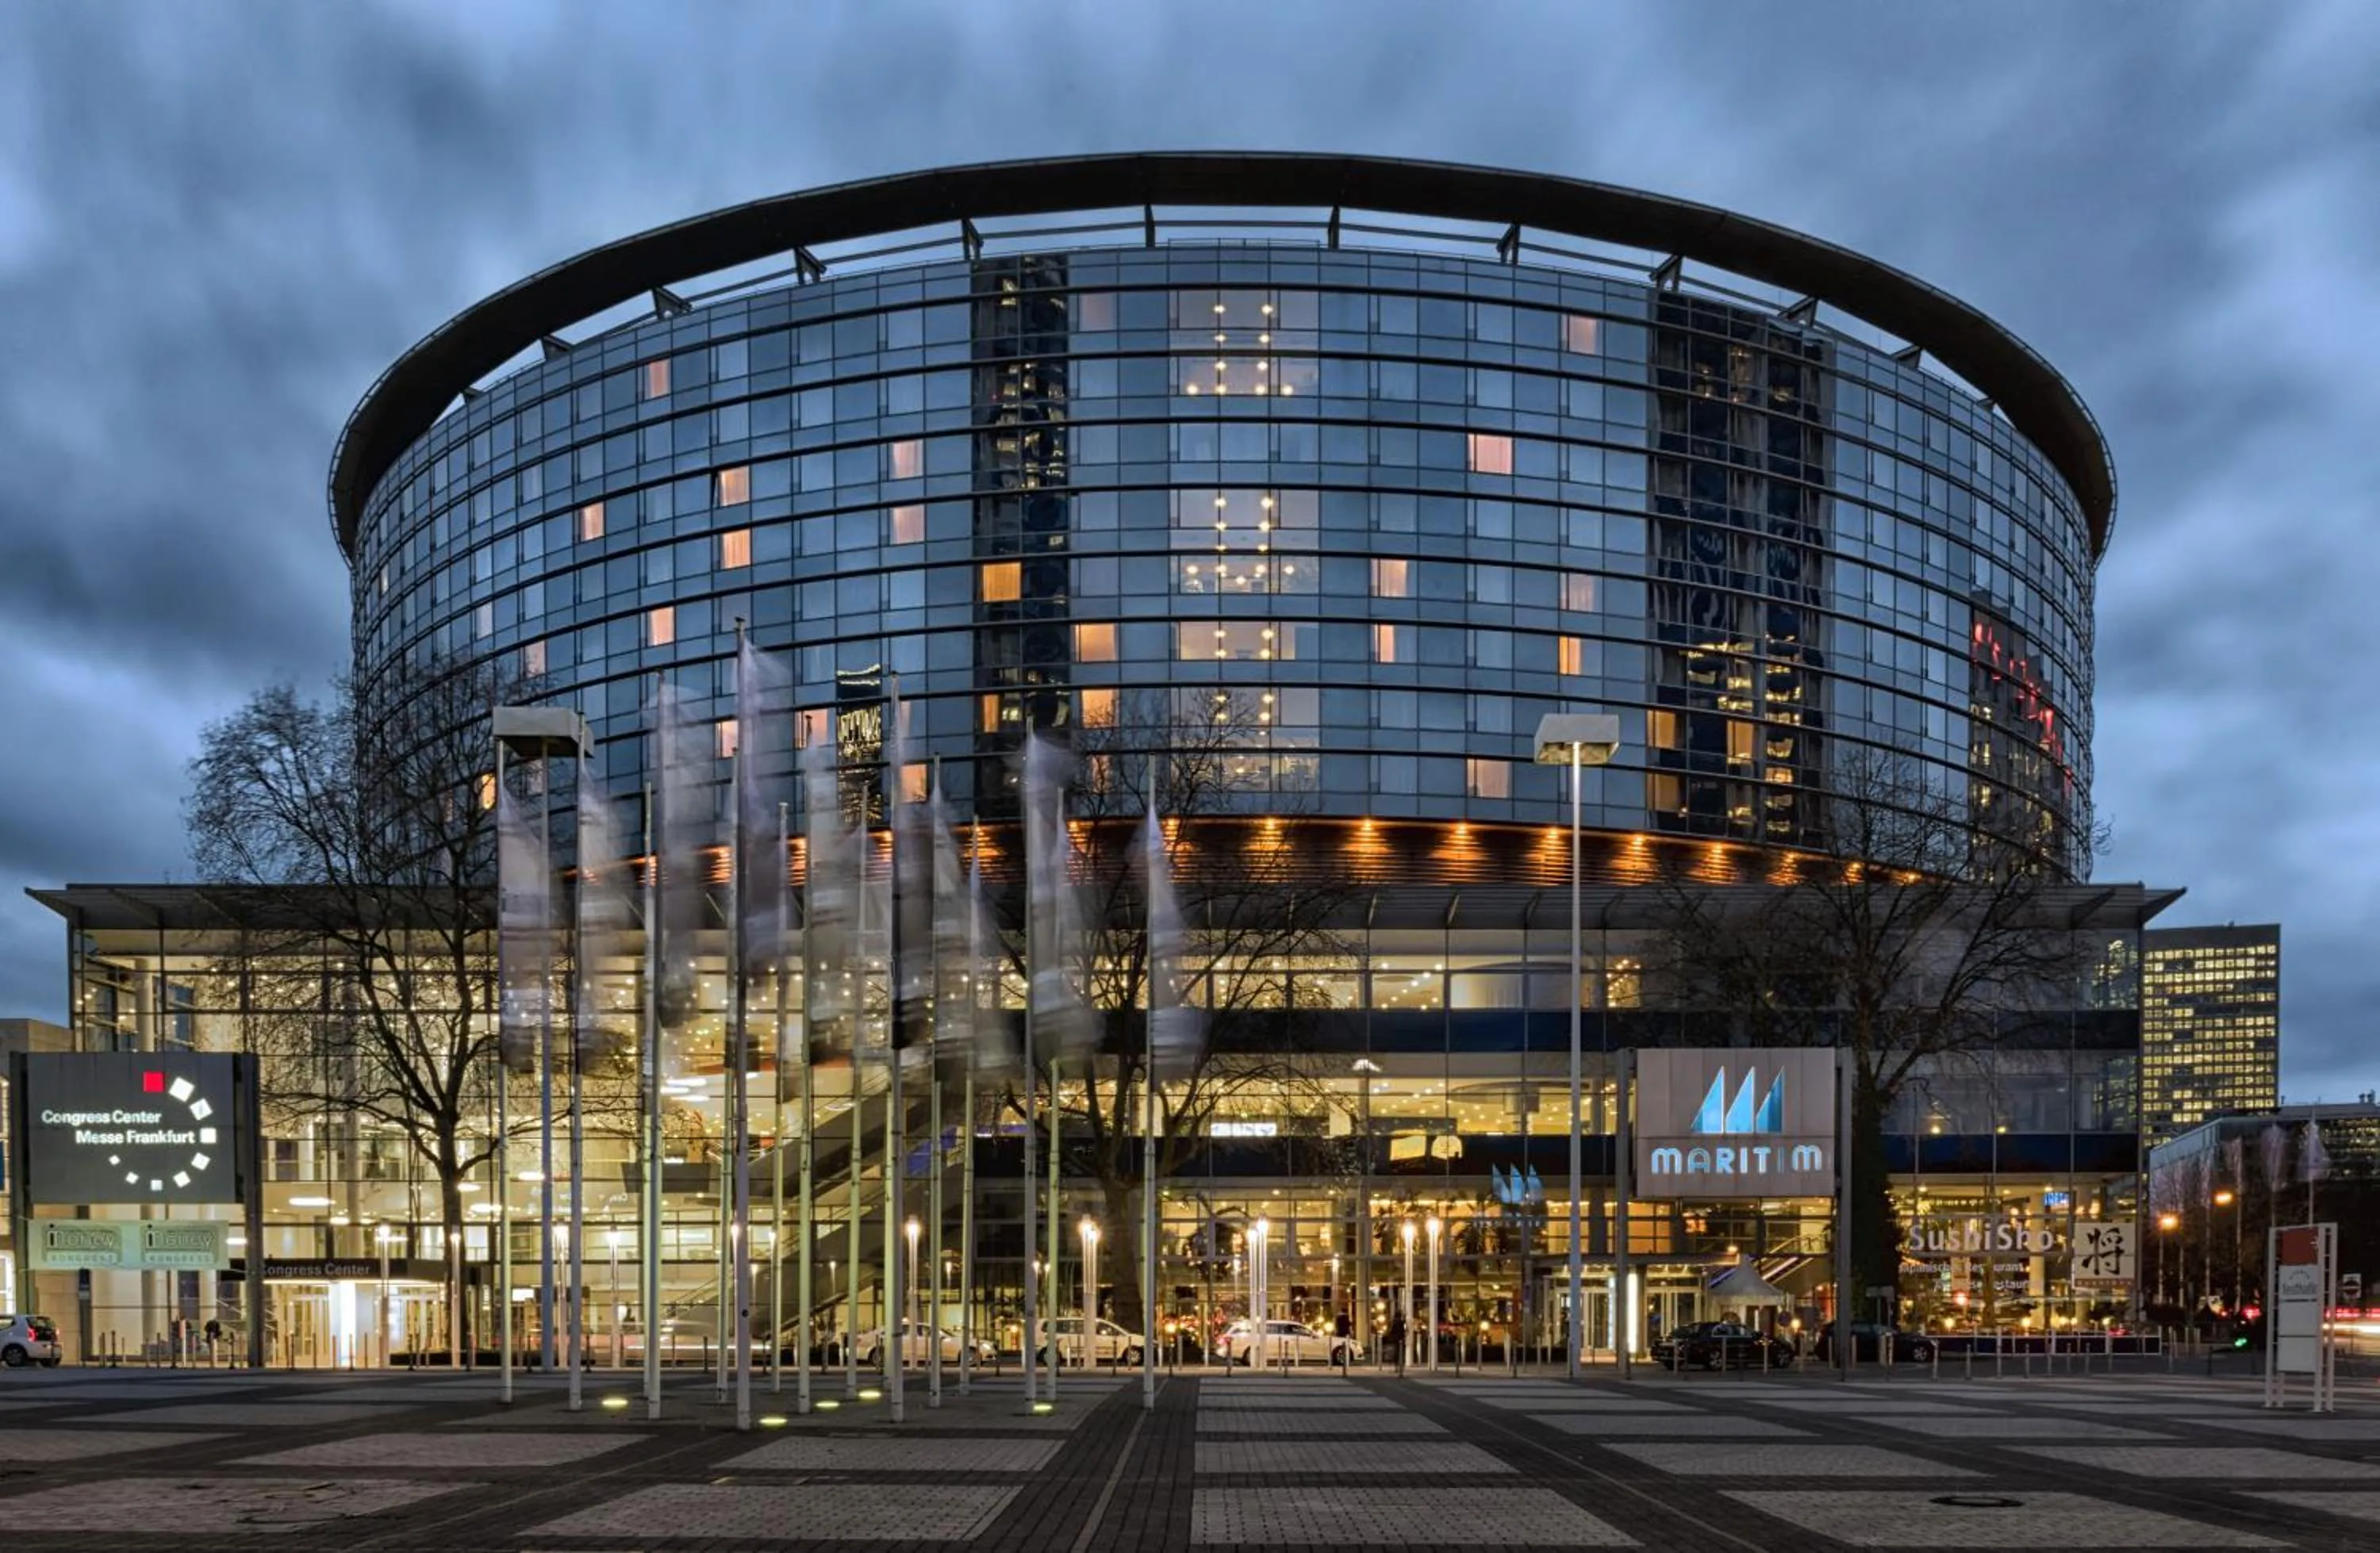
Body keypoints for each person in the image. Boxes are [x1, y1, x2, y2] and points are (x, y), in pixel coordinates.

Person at [1386, 1310, 1407, 1376]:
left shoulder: (1394, 1322)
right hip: (1401, 1339)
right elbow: (1404, 1330)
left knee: (1396, 1353)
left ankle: (1396, 1367)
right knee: (1401, 1353)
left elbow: (1392, 1331)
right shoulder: (1401, 1322)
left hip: (1395, 1339)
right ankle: (1400, 1368)